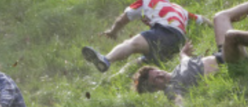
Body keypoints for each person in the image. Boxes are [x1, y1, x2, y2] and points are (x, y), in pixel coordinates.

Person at [132, 0, 248, 105]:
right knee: (231, 36)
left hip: (223, 54)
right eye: (157, 80)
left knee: (219, 17)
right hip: (230, 66)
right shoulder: (172, 89)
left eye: (157, 73)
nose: (161, 76)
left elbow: (184, 59)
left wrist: (184, 53)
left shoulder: (179, 67)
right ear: (155, 89)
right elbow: (179, 102)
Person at [82, 0, 212, 73]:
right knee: (138, 63)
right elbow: (202, 19)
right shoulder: (179, 9)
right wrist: (214, 26)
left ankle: (106, 60)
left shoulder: (144, 2)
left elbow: (122, 20)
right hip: (177, 44)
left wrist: (112, 32)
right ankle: (114, 79)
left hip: (165, 32)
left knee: (132, 43)